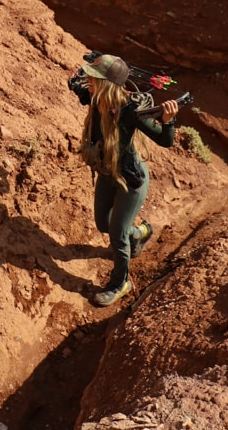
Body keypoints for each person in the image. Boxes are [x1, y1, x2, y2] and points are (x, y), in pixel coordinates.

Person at [68, 53, 179, 307]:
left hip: (130, 181)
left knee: (117, 234)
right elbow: (78, 89)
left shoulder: (129, 110)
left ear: (107, 83)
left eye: (93, 77)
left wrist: (169, 120)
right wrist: (74, 80)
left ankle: (120, 283)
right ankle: (139, 232)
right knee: (103, 224)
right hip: (108, 174)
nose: (88, 80)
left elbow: (165, 140)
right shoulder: (96, 98)